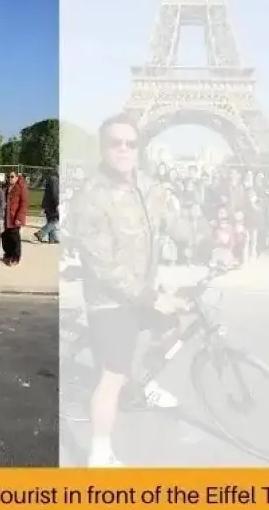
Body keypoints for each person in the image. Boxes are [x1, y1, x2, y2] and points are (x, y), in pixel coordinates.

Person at [69, 113, 188, 467]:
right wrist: (153, 298)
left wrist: (214, 242)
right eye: (115, 143)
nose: (123, 149)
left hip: (144, 289)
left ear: (139, 148)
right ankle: (99, 454)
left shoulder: (148, 186)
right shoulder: (91, 197)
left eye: (130, 143)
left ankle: (142, 385)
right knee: (112, 377)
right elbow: (104, 266)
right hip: (110, 300)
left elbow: (174, 223)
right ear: (102, 148)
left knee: (173, 326)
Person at [3, 171, 28, 265]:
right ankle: (8, 254)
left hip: (14, 217)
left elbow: (24, 203)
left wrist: (19, 218)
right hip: (5, 217)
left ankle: (16, 257)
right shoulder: (6, 187)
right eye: (8, 176)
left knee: (14, 237)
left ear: (17, 177)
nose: (10, 178)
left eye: (12, 176)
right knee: (5, 236)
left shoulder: (21, 187)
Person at [35, 169, 59, 243]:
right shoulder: (54, 179)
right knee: (55, 219)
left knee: (51, 220)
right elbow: (54, 193)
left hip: (48, 204)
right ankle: (41, 233)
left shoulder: (51, 178)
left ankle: (53, 238)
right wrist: (57, 204)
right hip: (52, 204)